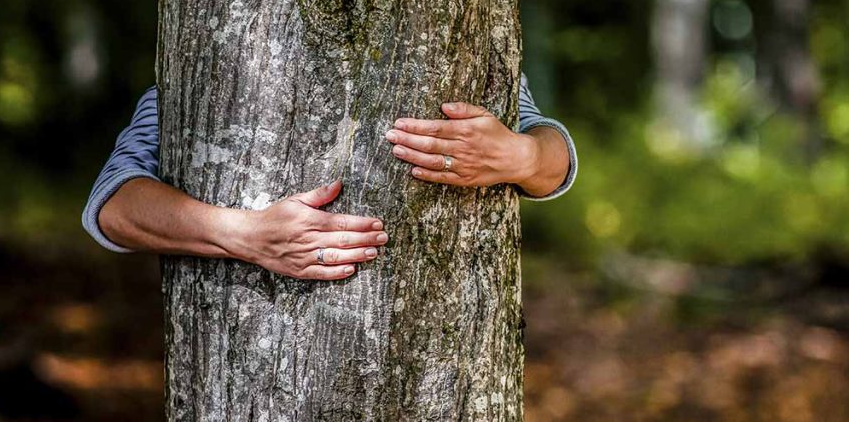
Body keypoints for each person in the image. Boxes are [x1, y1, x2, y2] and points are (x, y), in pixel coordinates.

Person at [82, 73, 577, 281]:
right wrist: (242, 234)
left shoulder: (455, 31)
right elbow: (112, 204)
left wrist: (523, 156)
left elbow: (553, 154)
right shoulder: (216, 48)